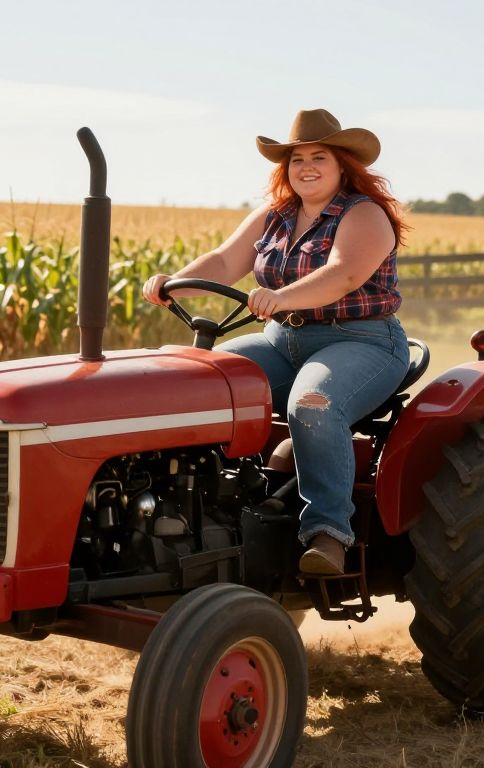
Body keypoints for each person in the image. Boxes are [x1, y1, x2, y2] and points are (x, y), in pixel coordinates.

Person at [143, 108, 410, 575]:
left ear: (342, 165)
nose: (306, 166)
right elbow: (225, 262)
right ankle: (209, 508)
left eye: (319, 157)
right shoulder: (274, 216)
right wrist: (174, 283)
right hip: (282, 340)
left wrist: (282, 296)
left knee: (313, 403)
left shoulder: (364, 214)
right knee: (197, 381)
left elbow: (343, 274)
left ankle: (328, 533)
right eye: (296, 158)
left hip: (362, 343)